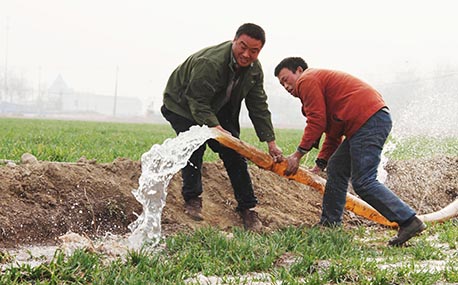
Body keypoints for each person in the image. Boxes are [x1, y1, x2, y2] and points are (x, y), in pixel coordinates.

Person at [274, 57, 426, 246]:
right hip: (367, 121)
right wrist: (320, 165)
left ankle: (409, 221)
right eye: (281, 84)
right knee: (336, 167)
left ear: (298, 70)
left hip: (368, 120)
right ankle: (330, 224)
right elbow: (333, 134)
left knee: (363, 181)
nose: (286, 86)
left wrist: (297, 155)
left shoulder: (307, 79)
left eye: (286, 79)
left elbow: (317, 121)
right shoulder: (318, 86)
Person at [161, 23, 283, 232]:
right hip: (182, 105)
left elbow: (258, 106)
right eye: (242, 47)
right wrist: (216, 128)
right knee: (195, 145)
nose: (246, 54)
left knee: (234, 153)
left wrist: (271, 142)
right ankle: (192, 199)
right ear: (234, 40)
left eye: (254, 51)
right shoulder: (210, 62)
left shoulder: (254, 70)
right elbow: (197, 102)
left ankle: (248, 209)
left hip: (219, 108)